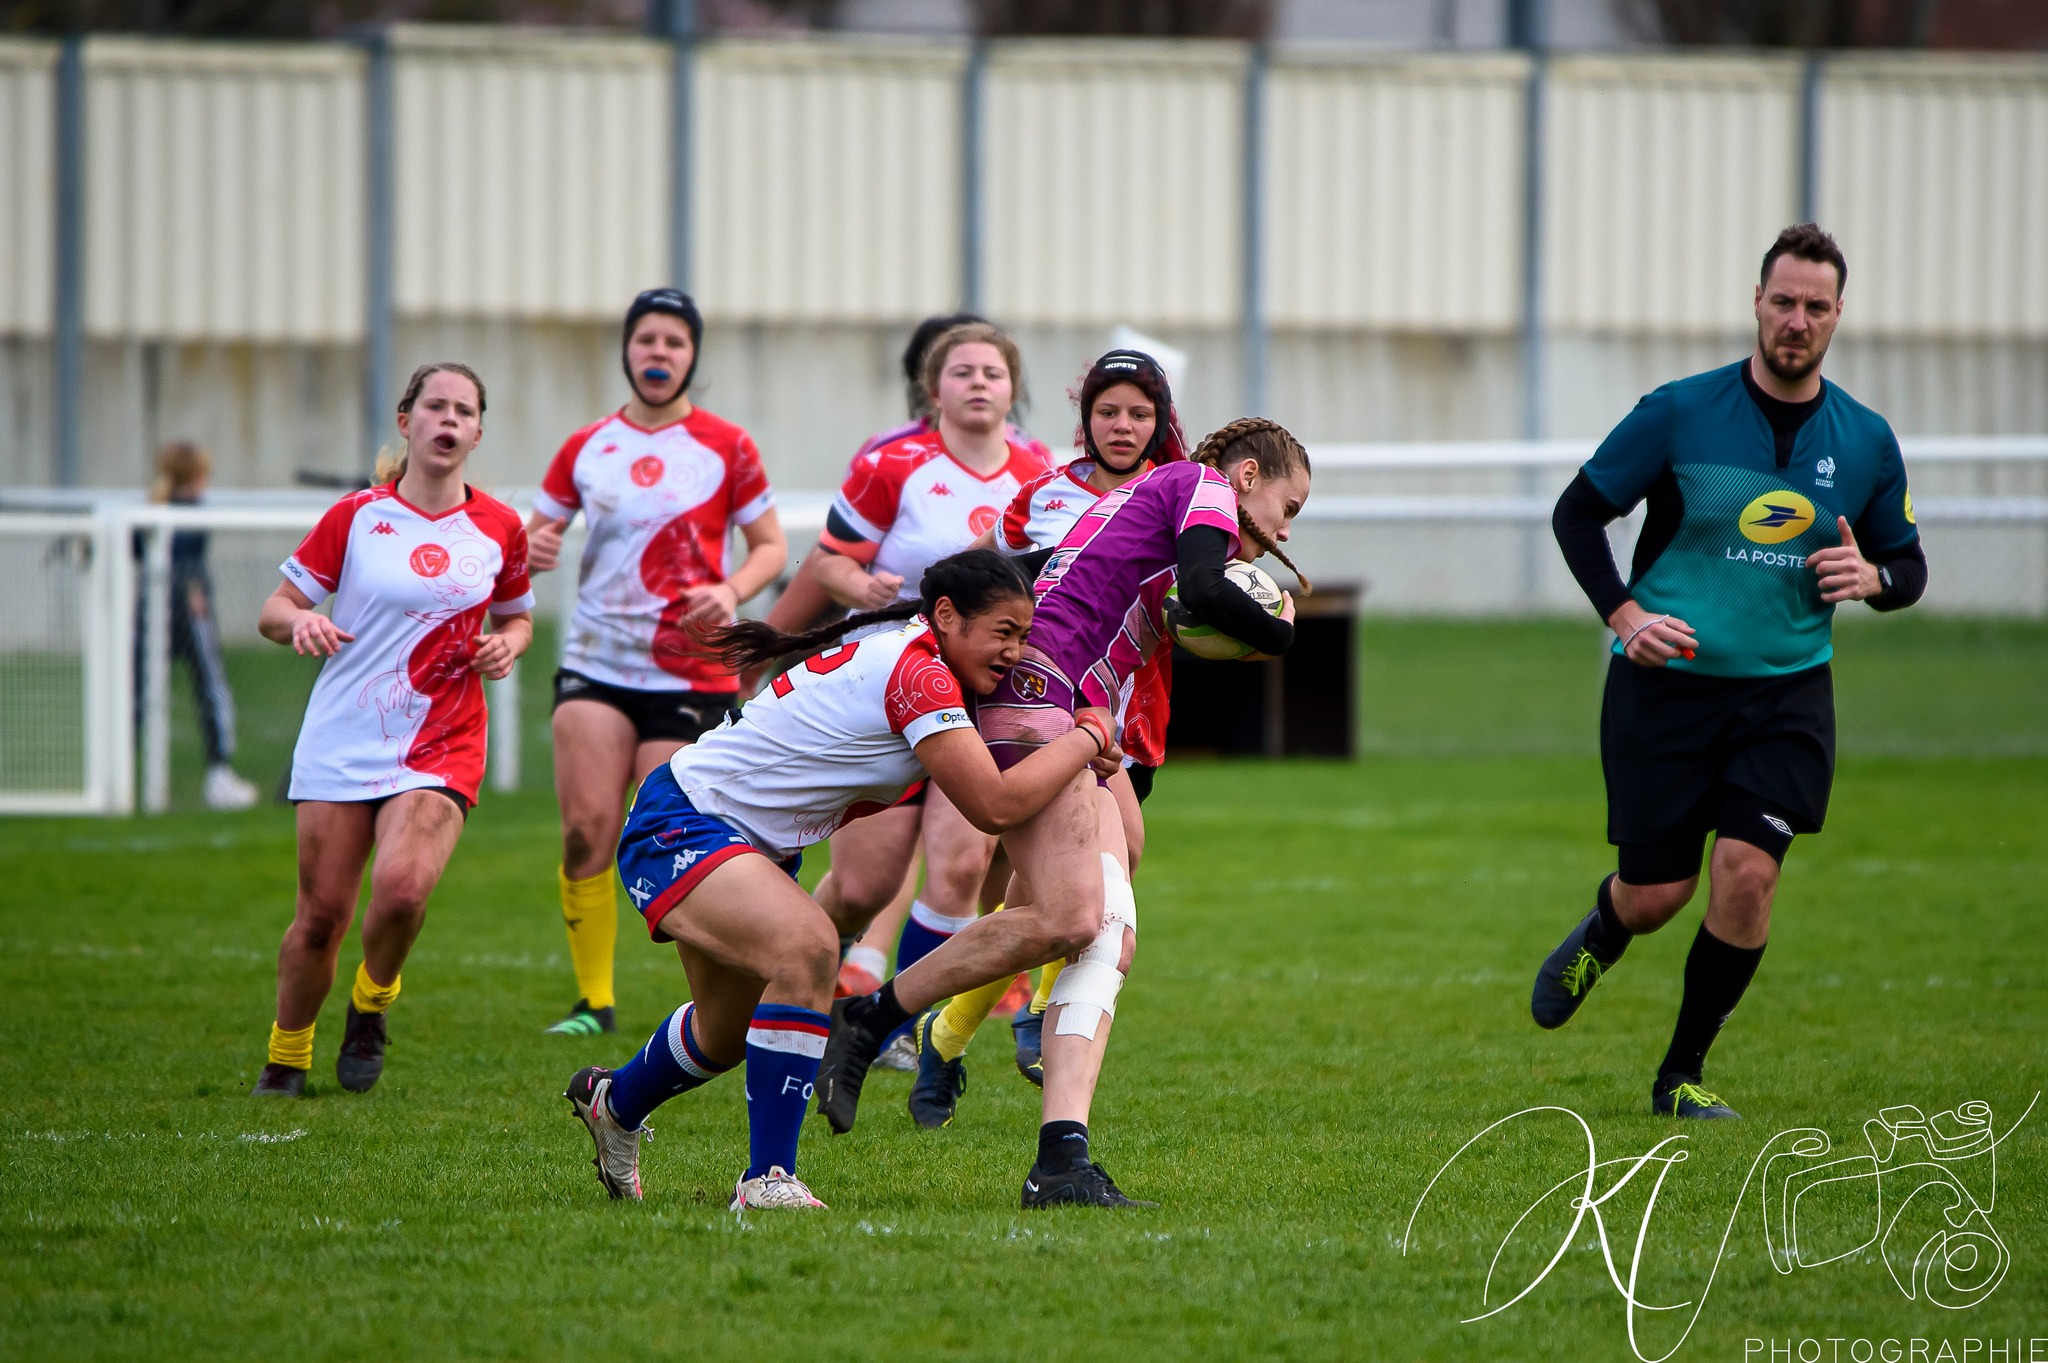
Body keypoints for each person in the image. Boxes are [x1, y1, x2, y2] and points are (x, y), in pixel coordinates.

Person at [817, 417, 1312, 1209]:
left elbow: (1105, 591)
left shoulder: (1161, 494)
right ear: (1248, 476)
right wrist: (1281, 632)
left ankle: (1061, 1159)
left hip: (1066, 700)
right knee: (1075, 915)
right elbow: (1204, 589)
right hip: (1037, 692)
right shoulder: (1203, 485)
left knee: (1108, 932)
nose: (1286, 531)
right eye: (1289, 507)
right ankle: (873, 1016)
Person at [561, 550, 1121, 1211]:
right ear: (946, 615)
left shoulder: (927, 661)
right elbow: (993, 807)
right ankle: (768, 1179)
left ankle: (614, 1102)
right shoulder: (920, 673)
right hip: (685, 820)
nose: (1016, 651)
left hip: (745, 840)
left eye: (1024, 635)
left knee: (722, 1033)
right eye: (1004, 631)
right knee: (809, 949)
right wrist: (1088, 735)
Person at [1531, 223, 1927, 1119]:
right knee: (1658, 893)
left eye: (1815, 306)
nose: (1797, 320)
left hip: (1787, 693)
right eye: (1783, 301)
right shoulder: (1679, 411)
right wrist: (1626, 617)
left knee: (1748, 872)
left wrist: (1872, 579)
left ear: (1838, 314)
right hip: (1665, 689)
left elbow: (1908, 566)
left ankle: (1681, 1076)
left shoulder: (1866, 440)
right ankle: (1606, 928)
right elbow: (1576, 514)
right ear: (1757, 302)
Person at [906, 347, 1189, 1126]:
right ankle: (1030, 1016)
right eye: (1108, 411)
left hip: (1126, 717)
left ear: (1161, 420)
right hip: (1044, 713)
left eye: (1139, 413)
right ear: (1084, 418)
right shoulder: (1040, 497)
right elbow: (994, 589)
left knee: (1052, 889)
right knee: (1094, 874)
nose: (1123, 425)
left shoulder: (1176, 492)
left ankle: (946, 1035)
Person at [252, 363, 534, 1098]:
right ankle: (286, 1056)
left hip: (442, 737)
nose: (449, 420)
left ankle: (371, 1003)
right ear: (407, 422)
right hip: (345, 732)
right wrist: (302, 621)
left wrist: (508, 645)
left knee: (404, 890)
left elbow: (517, 617)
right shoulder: (356, 516)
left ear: (477, 432)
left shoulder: (501, 527)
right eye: (435, 406)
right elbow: (275, 609)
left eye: (463, 410)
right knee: (320, 918)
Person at [525, 289, 788, 1038]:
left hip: (689, 671)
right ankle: (594, 1002)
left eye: (674, 341)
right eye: (647, 339)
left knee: (673, 836)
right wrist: (532, 548)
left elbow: (771, 547)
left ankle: (712, 1005)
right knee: (586, 832)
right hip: (596, 662)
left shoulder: (728, 445)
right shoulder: (586, 446)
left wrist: (730, 590)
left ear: (692, 357)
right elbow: (533, 540)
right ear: (627, 351)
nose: (659, 353)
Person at [803, 322, 1050, 1071]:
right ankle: (786, 975)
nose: (979, 383)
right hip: (887, 686)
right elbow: (827, 561)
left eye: (993, 373)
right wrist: (861, 585)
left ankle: (889, 1029)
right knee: (862, 885)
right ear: (932, 387)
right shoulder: (892, 462)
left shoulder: (1042, 474)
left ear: (1013, 388)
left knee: (961, 867)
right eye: (962, 371)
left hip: (980, 693)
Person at [132, 441, 260, 810]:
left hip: (153, 609)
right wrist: (191, 590)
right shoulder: (168, 511)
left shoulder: (159, 508)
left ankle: (217, 777)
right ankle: (218, 774)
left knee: (146, 690)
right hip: (185, 612)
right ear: (197, 475)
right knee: (205, 687)